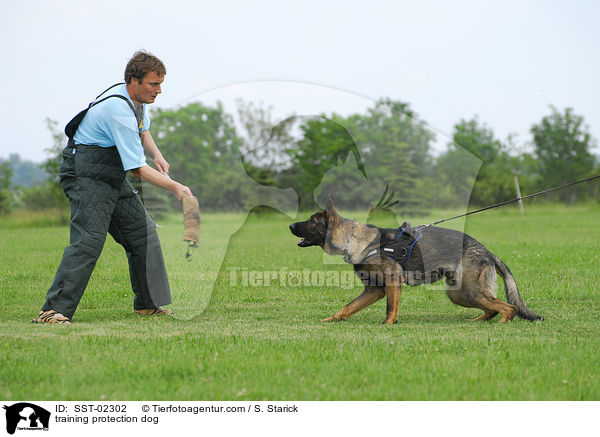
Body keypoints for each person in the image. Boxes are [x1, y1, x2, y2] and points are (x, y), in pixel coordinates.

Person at [33, 50, 192, 324]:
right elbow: (137, 170)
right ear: (134, 80)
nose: (159, 90)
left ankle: (148, 304)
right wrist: (175, 187)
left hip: (110, 173)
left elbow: (142, 129)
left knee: (143, 233)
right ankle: (53, 310)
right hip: (85, 172)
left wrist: (157, 154)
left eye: (161, 83)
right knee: (89, 240)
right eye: (154, 84)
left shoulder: (137, 100)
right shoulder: (118, 108)